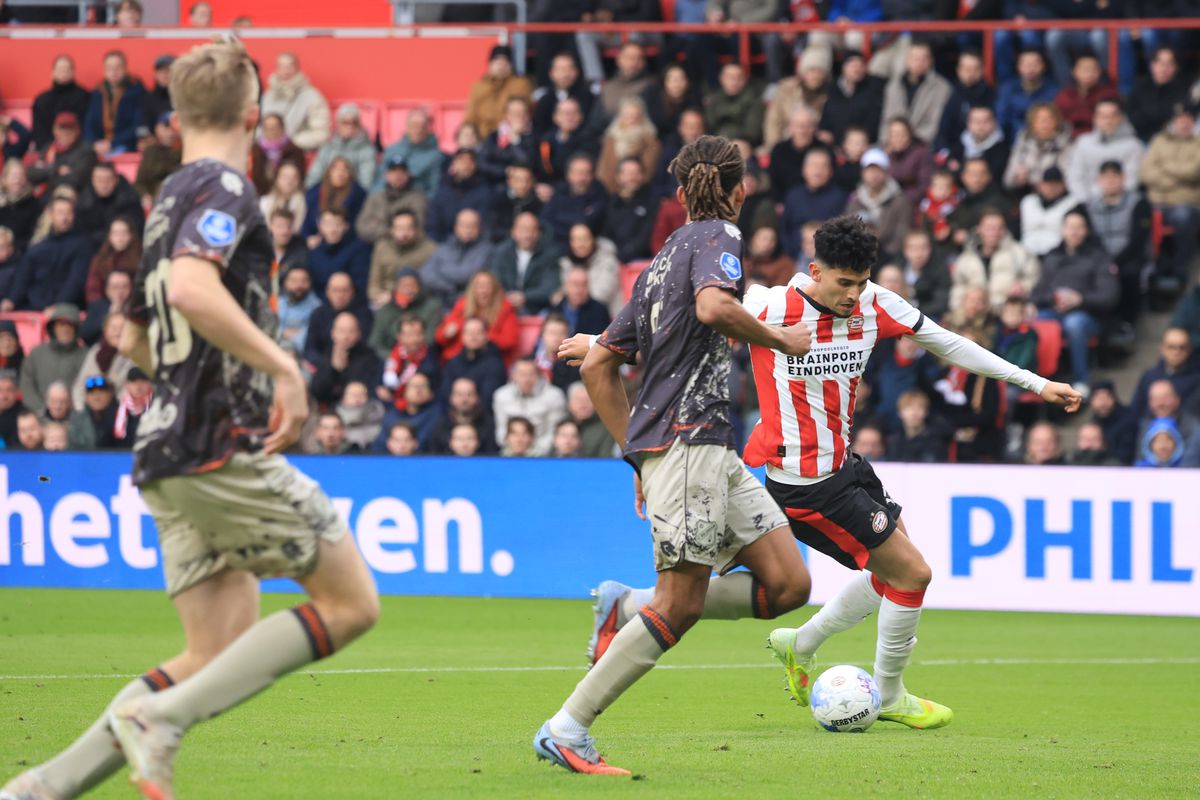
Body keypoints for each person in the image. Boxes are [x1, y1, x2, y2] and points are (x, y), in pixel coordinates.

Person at [1, 39, 381, 800]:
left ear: (173, 118)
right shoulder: (226, 189)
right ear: (255, 114)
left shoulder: (166, 200)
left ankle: (41, 788)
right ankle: (159, 721)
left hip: (164, 451)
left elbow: (133, 336)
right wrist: (282, 370)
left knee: (218, 650)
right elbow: (192, 290)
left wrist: (164, 383)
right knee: (351, 605)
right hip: (218, 444)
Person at [536, 135, 816, 775]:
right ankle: (567, 727)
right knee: (682, 602)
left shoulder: (660, 261)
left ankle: (623, 605)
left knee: (788, 585)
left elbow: (599, 365)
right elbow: (715, 306)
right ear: (739, 191)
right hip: (691, 442)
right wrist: (781, 340)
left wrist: (639, 455)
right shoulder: (721, 240)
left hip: (701, 448)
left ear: (679, 192)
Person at [1032, 211, 1120, 395]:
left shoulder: (1099, 257)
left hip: (1089, 317)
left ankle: (1082, 381)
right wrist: (1054, 298)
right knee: (1038, 321)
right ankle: (1038, 381)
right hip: (1054, 312)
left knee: (1075, 323)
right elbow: (1037, 294)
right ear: (1063, 230)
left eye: (1079, 227)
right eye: (1070, 227)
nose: (1075, 232)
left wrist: (1080, 299)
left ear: (1086, 231)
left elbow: (1110, 296)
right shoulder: (1052, 257)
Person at [1139, 103, 1200, 287]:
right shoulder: (1159, 141)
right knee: (1140, 221)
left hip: (1185, 201)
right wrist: (1176, 177)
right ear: (1173, 121)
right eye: (1180, 120)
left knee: (1183, 219)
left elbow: (1194, 171)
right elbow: (1146, 173)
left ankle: (1178, 269)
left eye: (1188, 120)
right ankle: (1154, 270)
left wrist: (1165, 168)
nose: (1184, 123)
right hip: (1155, 201)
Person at [1086, 160, 1151, 327]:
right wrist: (1103, 260)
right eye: (1106, 177)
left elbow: (1138, 239)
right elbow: (1090, 236)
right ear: (1099, 180)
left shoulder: (1138, 202)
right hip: (1100, 257)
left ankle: (1127, 324)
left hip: (1129, 256)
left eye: (1115, 176)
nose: (1110, 181)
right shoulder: (1090, 205)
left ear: (1123, 178)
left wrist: (1116, 262)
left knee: (1129, 273)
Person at [4, 196, 90, 311]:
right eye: (60, 212)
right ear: (50, 214)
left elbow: (76, 281)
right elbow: (23, 278)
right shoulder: (38, 248)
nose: (64, 217)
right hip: (34, 306)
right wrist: (11, 300)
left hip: (67, 309)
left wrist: (59, 306)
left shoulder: (82, 245)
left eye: (69, 213)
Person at [1064, 99, 1144, 204]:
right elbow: (1075, 176)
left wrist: (1111, 200)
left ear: (1120, 118)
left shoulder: (1133, 145)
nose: (1108, 121)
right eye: (1103, 116)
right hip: (1085, 201)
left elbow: (1131, 180)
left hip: (1122, 203)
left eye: (1112, 116)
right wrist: (1085, 201)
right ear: (1095, 119)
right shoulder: (1083, 143)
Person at [434, 271, 519, 364]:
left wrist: (482, 336)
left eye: (488, 287)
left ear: (495, 289)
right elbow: (440, 337)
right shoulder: (462, 305)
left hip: (489, 359)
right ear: (473, 289)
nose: (483, 291)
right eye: (479, 286)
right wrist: (447, 334)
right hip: (458, 358)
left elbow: (510, 341)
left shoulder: (505, 308)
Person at [845, 147, 912, 263]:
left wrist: (884, 256)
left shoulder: (900, 201)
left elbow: (902, 234)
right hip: (859, 258)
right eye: (869, 170)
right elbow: (848, 231)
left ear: (886, 172)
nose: (873, 175)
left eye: (878, 170)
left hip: (890, 259)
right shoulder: (855, 200)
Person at [878, 42, 952, 145]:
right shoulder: (893, 86)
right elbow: (886, 120)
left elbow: (935, 124)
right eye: (915, 58)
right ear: (907, 60)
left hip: (923, 145)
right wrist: (887, 142)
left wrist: (908, 142)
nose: (919, 63)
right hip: (893, 145)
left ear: (930, 61)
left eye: (923, 59)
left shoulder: (942, 88)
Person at [780, 148, 847, 259]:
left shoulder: (840, 197)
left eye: (823, 166)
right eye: (813, 166)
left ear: (830, 172)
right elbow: (785, 229)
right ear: (804, 170)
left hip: (828, 257)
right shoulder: (793, 195)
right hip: (794, 255)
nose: (818, 171)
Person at [491, 357, 566, 456]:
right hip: (510, 453)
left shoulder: (554, 395)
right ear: (513, 376)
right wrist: (515, 449)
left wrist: (533, 453)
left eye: (531, 374)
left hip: (544, 455)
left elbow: (554, 432)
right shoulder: (501, 395)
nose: (526, 379)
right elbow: (501, 431)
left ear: (539, 375)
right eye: (522, 374)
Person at [764, 45, 833, 151]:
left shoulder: (830, 95)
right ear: (803, 72)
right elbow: (773, 121)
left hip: (814, 146)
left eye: (819, 71)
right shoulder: (786, 90)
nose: (815, 75)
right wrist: (775, 147)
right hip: (784, 143)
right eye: (811, 71)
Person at [419, 208, 493, 307]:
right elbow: (425, 276)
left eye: (472, 226)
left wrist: (441, 269)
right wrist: (451, 287)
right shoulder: (444, 247)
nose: (468, 230)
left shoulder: (487, 250)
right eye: (464, 225)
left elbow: (465, 276)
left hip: (471, 304)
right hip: (440, 301)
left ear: (479, 228)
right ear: (456, 227)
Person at [492, 212, 562, 315]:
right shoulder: (501, 252)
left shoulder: (550, 254)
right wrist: (508, 298)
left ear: (538, 232)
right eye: (523, 229)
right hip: (504, 305)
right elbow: (495, 280)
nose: (528, 234)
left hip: (536, 307)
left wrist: (525, 297)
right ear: (514, 232)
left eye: (532, 230)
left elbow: (550, 287)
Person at [260, 52, 331, 151]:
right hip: (266, 151)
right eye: (282, 67)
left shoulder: (312, 97)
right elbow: (259, 128)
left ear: (297, 69)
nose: (285, 71)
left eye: (289, 66)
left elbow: (321, 133)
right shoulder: (269, 96)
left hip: (295, 152)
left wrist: (290, 142)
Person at [366, 210, 436, 309]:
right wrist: (378, 295)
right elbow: (374, 281)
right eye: (399, 228)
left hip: (418, 300)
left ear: (416, 229)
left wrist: (400, 296)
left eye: (409, 228)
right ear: (391, 230)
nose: (404, 233)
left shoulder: (430, 249)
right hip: (386, 299)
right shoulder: (382, 247)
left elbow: (432, 283)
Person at [367, 265, 441, 356]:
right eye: (404, 286)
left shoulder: (432, 307)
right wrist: (393, 358)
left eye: (413, 285)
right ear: (397, 287)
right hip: (390, 359)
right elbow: (376, 343)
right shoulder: (385, 311)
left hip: (422, 358)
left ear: (420, 286)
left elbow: (430, 340)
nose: (409, 290)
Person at [1128, 328, 1199, 424]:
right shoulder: (1149, 376)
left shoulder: (1197, 379)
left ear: (1189, 350)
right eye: (1171, 347)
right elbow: (1135, 411)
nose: (1176, 352)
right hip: (1148, 432)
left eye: (1182, 347)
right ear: (1162, 348)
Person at [83, 50, 146, 156]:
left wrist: (112, 143)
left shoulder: (137, 93)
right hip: (99, 147)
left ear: (125, 69)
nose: (114, 72)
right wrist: (95, 143)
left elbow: (138, 126)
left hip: (127, 146)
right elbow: (89, 123)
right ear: (104, 70)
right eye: (109, 68)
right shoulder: (97, 93)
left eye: (118, 67)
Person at [1003, 101, 1072, 196]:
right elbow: (1008, 179)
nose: (1045, 123)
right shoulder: (1023, 141)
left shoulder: (1065, 143)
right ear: (1032, 123)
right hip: (1024, 192)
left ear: (1057, 121)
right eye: (1040, 119)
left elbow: (1066, 177)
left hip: (1054, 196)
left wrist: (1037, 180)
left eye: (1049, 119)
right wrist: (1018, 178)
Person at [464, 45, 533, 139]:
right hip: (482, 137)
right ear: (490, 65)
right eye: (497, 62)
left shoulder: (520, 84)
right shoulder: (479, 87)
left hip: (511, 135)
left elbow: (523, 112)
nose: (501, 66)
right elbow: (471, 116)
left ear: (511, 65)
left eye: (505, 62)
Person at [540, 154, 608, 248]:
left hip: (588, 248)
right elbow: (546, 223)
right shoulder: (558, 193)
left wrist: (564, 222)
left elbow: (590, 223)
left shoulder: (599, 195)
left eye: (587, 173)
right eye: (579, 173)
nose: (583, 178)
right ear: (569, 175)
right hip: (557, 247)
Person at [425, 148, 492, 243]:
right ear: (453, 165)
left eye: (470, 161)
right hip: (443, 245)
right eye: (461, 161)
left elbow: (483, 226)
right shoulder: (442, 192)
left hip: (474, 246)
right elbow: (433, 226)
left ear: (475, 166)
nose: (466, 165)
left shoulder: (484, 193)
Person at [819, 50, 885, 146]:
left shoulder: (873, 89)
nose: (857, 69)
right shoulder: (833, 90)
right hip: (835, 145)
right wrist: (825, 132)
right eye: (853, 65)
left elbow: (873, 123)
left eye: (860, 66)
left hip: (864, 144)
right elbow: (826, 119)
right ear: (844, 67)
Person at [934, 51, 995, 155]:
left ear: (982, 70)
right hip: (955, 151)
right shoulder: (952, 95)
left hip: (985, 150)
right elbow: (943, 131)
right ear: (958, 70)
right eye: (966, 69)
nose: (970, 73)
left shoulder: (991, 95)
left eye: (974, 69)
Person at [356, 156, 428, 245]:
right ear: (386, 175)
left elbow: (418, 228)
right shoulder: (375, 198)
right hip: (373, 246)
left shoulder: (417, 199)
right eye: (394, 171)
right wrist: (389, 231)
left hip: (407, 246)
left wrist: (379, 226)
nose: (398, 175)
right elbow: (362, 228)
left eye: (402, 172)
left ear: (408, 175)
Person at [307, 103, 376, 192]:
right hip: (327, 195)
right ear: (338, 124)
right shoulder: (327, 148)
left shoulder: (367, 150)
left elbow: (366, 182)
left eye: (354, 122)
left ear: (359, 124)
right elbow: (314, 175)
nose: (350, 126)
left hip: (353, 197)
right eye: (345, 122)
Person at [597, 98, 661, 194]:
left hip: (639, 193)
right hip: (610, 193)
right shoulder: (611, 140)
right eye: (628, 115)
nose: (632, 119)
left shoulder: (651, 142)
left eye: (635, 115)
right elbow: (602, 170)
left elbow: (648, 171)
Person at [71, 311, 134, 408]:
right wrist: (81, 412)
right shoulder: (95, 352)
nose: (118, 332)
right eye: (114, 328)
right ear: (105, 331)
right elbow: (80, 386)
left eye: (122, 328)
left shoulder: (135, 355)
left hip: (122, 410)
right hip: (93, 412)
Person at [994, 48, 1059, 141]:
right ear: (1019, 66)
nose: (1030, 69)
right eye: (1026, 64)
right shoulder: (1007, 90)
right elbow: (1002, 120)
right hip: (1012, 142)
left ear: (1043, 66)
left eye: (1035, 64)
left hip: (1045, 141)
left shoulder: (1054, 91)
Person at [1127, 47, 1190, 143]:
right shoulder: (1140, 85)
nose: (1164, 68)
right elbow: (1131, 114)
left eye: (1169, 64)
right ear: (1152, 65)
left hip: (1171, 140)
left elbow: (1180, 117)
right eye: (1160, 63)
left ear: (1176, 67)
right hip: (1140, 138)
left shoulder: (1184, 88)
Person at [377, 314, 439, 410]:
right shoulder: (392, 356)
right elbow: (377, 384)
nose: (414, 340)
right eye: (409, 335)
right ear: (399, 337)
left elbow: (433, 393)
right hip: (387, 408)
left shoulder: (431, 362)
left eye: (418, 334)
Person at [768, 107, 829, 203]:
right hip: (785, 203)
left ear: (814, 128)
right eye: (798, 125)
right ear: (790, 128)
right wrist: (778, 203)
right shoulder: (779, 151)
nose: (802, 130)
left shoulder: (824, 150)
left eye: (807, 126)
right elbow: (773, 181)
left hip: (820, 200)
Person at [75, 161, 144, 246]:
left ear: (116, 180)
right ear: (92, 180)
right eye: (99, 180)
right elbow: (79, 233)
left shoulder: (130, 199)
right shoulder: (84, 201)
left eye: (108, 180)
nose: (104, 185)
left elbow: (136, 230)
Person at [31, 55, 91, 152]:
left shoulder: (85, 97)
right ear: (53, 73)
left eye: (67, 69)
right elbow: (39, 133)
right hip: (50, 151)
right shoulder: (42, 101)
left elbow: (87, 127)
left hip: (79, 150)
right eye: (60, 69)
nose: (64, 73)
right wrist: (49, 150)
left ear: (73, 72)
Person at [1019, 166, 1082, 257]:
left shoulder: (1072, 204)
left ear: (1063, 185)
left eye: (1055, 184)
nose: (1051, 188)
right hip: (1026, 253)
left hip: (1057, 255)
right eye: (1048, 184)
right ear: (1040, 185)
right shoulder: (1028, 202)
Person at [307, 208, 370, 297]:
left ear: (346, 226)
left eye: (338, 224)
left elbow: (360, 284)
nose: (333, 229)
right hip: (318, 303)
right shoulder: (314, 251)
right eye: (328, 224)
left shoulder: (358, 249)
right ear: (320, 226)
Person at [559, 223, 620, 317]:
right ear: (570, 242)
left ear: (593, 240)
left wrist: (575, 294)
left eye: (585, 239)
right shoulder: (566, 263)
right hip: (575, 313)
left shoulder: (608, 261)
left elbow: (602, 294)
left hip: (607, 315)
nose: (581, 244)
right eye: (577, 239)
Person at [26, 111, 96, 193]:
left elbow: (76, 181)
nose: (66, 132)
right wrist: (56, 170)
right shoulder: (49, 148)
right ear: (55, 130)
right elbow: (31, 173)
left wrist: (45, 173)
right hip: (45, 195)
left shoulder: (86, 151)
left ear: (77, 130)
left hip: (72, 197)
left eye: (70, 128)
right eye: (62, 128)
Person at [426, 376, 496, 455]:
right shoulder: (440, 426)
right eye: (459, 394)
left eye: (469, 394)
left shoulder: (489, 425)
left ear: (477, 397)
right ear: (451, 398)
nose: (464, 399)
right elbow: (434, 456)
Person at [1053, 53, 1117, 139]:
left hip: (1100, 138)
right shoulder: (1064, 95)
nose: (1089, 73)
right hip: (1067, 139)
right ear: (1074, 71)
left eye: (1094, 69)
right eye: (1085, 69)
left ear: (1099, 72)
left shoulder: (1109, 95)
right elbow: (1057, 121)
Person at [301, 157, 367, 239]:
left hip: (346, 241)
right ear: (329, 172)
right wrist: (308, 239)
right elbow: (307, 222)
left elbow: (356, 224)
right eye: (336, 169)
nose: (340, 173)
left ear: (350, 174)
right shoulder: (315, 192)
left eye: (345, 170)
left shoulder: (358, 194)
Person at [477, 96, 538, 184]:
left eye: (523, 113)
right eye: (515, 113)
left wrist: (515, 140)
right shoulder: (494, 136)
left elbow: (527, 162)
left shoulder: (533, 137)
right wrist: (506, 171)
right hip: (496, 182)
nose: (519, 117)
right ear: (506, 115)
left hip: (524, 184)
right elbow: (482, 163)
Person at [532, 52, 595, 137]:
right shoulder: (545, 100)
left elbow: (592, 126)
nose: (565, 74)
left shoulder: (588, 97)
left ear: (576, 72)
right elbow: (539, 129)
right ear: (551, 73)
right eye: (561, 69)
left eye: (569, 69)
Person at [704, 63, 763, 147]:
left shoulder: (753, 99)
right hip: (715, 143)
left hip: (743, 144)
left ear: (744, 80)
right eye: (730, 77)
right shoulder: (713, 99)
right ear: (721, 78)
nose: (734, 81)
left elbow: (752, 133)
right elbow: (708, 126)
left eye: (739, 78)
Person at [249, 112, 306, 197]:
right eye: (267, 128)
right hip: (261, 195)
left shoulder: (294, 150)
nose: (271, 131)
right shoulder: (256, 150)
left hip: (288, 196)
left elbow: (299, 178)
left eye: (274, 127)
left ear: (282, 128)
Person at [886, 389, 948, 463]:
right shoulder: (894, 441)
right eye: (909, 407)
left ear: (926, 412)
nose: (914, 412)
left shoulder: (936, 439)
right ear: (900, 412)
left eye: (920, 408)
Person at [882, 116, 932, 206]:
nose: (897, 139)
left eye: (901, 134)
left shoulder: (921, 153)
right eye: (893, 135)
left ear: (909, 135)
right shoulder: (886, 156)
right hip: (888, 202)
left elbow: (924, 186)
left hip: (912, 203)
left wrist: (900, 198)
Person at [135, 112, 183, 202]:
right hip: (154, 199)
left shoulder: (186, 151)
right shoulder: (150, 152)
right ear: (157, 128)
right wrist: (144, 195)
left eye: (173, 128)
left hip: (178, 198)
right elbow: (140, 183)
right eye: (166, 127)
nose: (170, 132)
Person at [553, 265, 611, 337]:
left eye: (584, 285)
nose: (580, 290)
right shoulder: (557, 308)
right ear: (566, 286)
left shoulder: (599, 311)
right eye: (575, 284)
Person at [600, 42, 653, 119]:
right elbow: (595, 122)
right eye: (629, 57)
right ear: (619, 59)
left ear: (644, 62)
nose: (634, 63)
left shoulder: (651, 86)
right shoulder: (607, 87)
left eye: (639, 58)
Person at [276, 265, 321, 356]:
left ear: (310, 283)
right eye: (294, 281)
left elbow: (313, 336)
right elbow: (270, 328)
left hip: (303, 355)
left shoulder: (317, 307)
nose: (299, 285)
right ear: (285, 283)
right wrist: (282, 332)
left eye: (304, 281)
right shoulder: (278, 303)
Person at [67, 374, 118, 449]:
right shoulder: (77, 420)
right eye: (91, 392)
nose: (96, 397)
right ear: (86, 396)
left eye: (101, 391)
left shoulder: (122, 418)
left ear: (110, 394)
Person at [565, 381, 614, 458]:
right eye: (578, 400)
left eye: (587, 400)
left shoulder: (606, 429)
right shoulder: (562, 426)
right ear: (569, 404)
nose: (583, 404)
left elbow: (606, 460)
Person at [0, 161, 39, 252]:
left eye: (21, 176)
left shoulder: (33, 204)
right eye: (14, 176)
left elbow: (34, 235)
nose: (18, 180)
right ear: (4, 179)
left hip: (20, 253)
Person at [258, 161, 306, 235]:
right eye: (285, 177)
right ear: (277, 179)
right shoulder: (265, 202)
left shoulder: (304, 202)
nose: (290, 181)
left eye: (294, 177)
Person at [335, 381, 385, 452]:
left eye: (361, 394)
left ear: (367, 396)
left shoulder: (379, 416)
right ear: (343, 397)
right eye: (353, 394)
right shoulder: (335, 419)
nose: (357, 398)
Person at [268, 208, 308, 273]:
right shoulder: (259, 250)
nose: (285, 231)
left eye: (289, 226)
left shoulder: (300, 252)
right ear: (270, 227)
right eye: (280, 226)